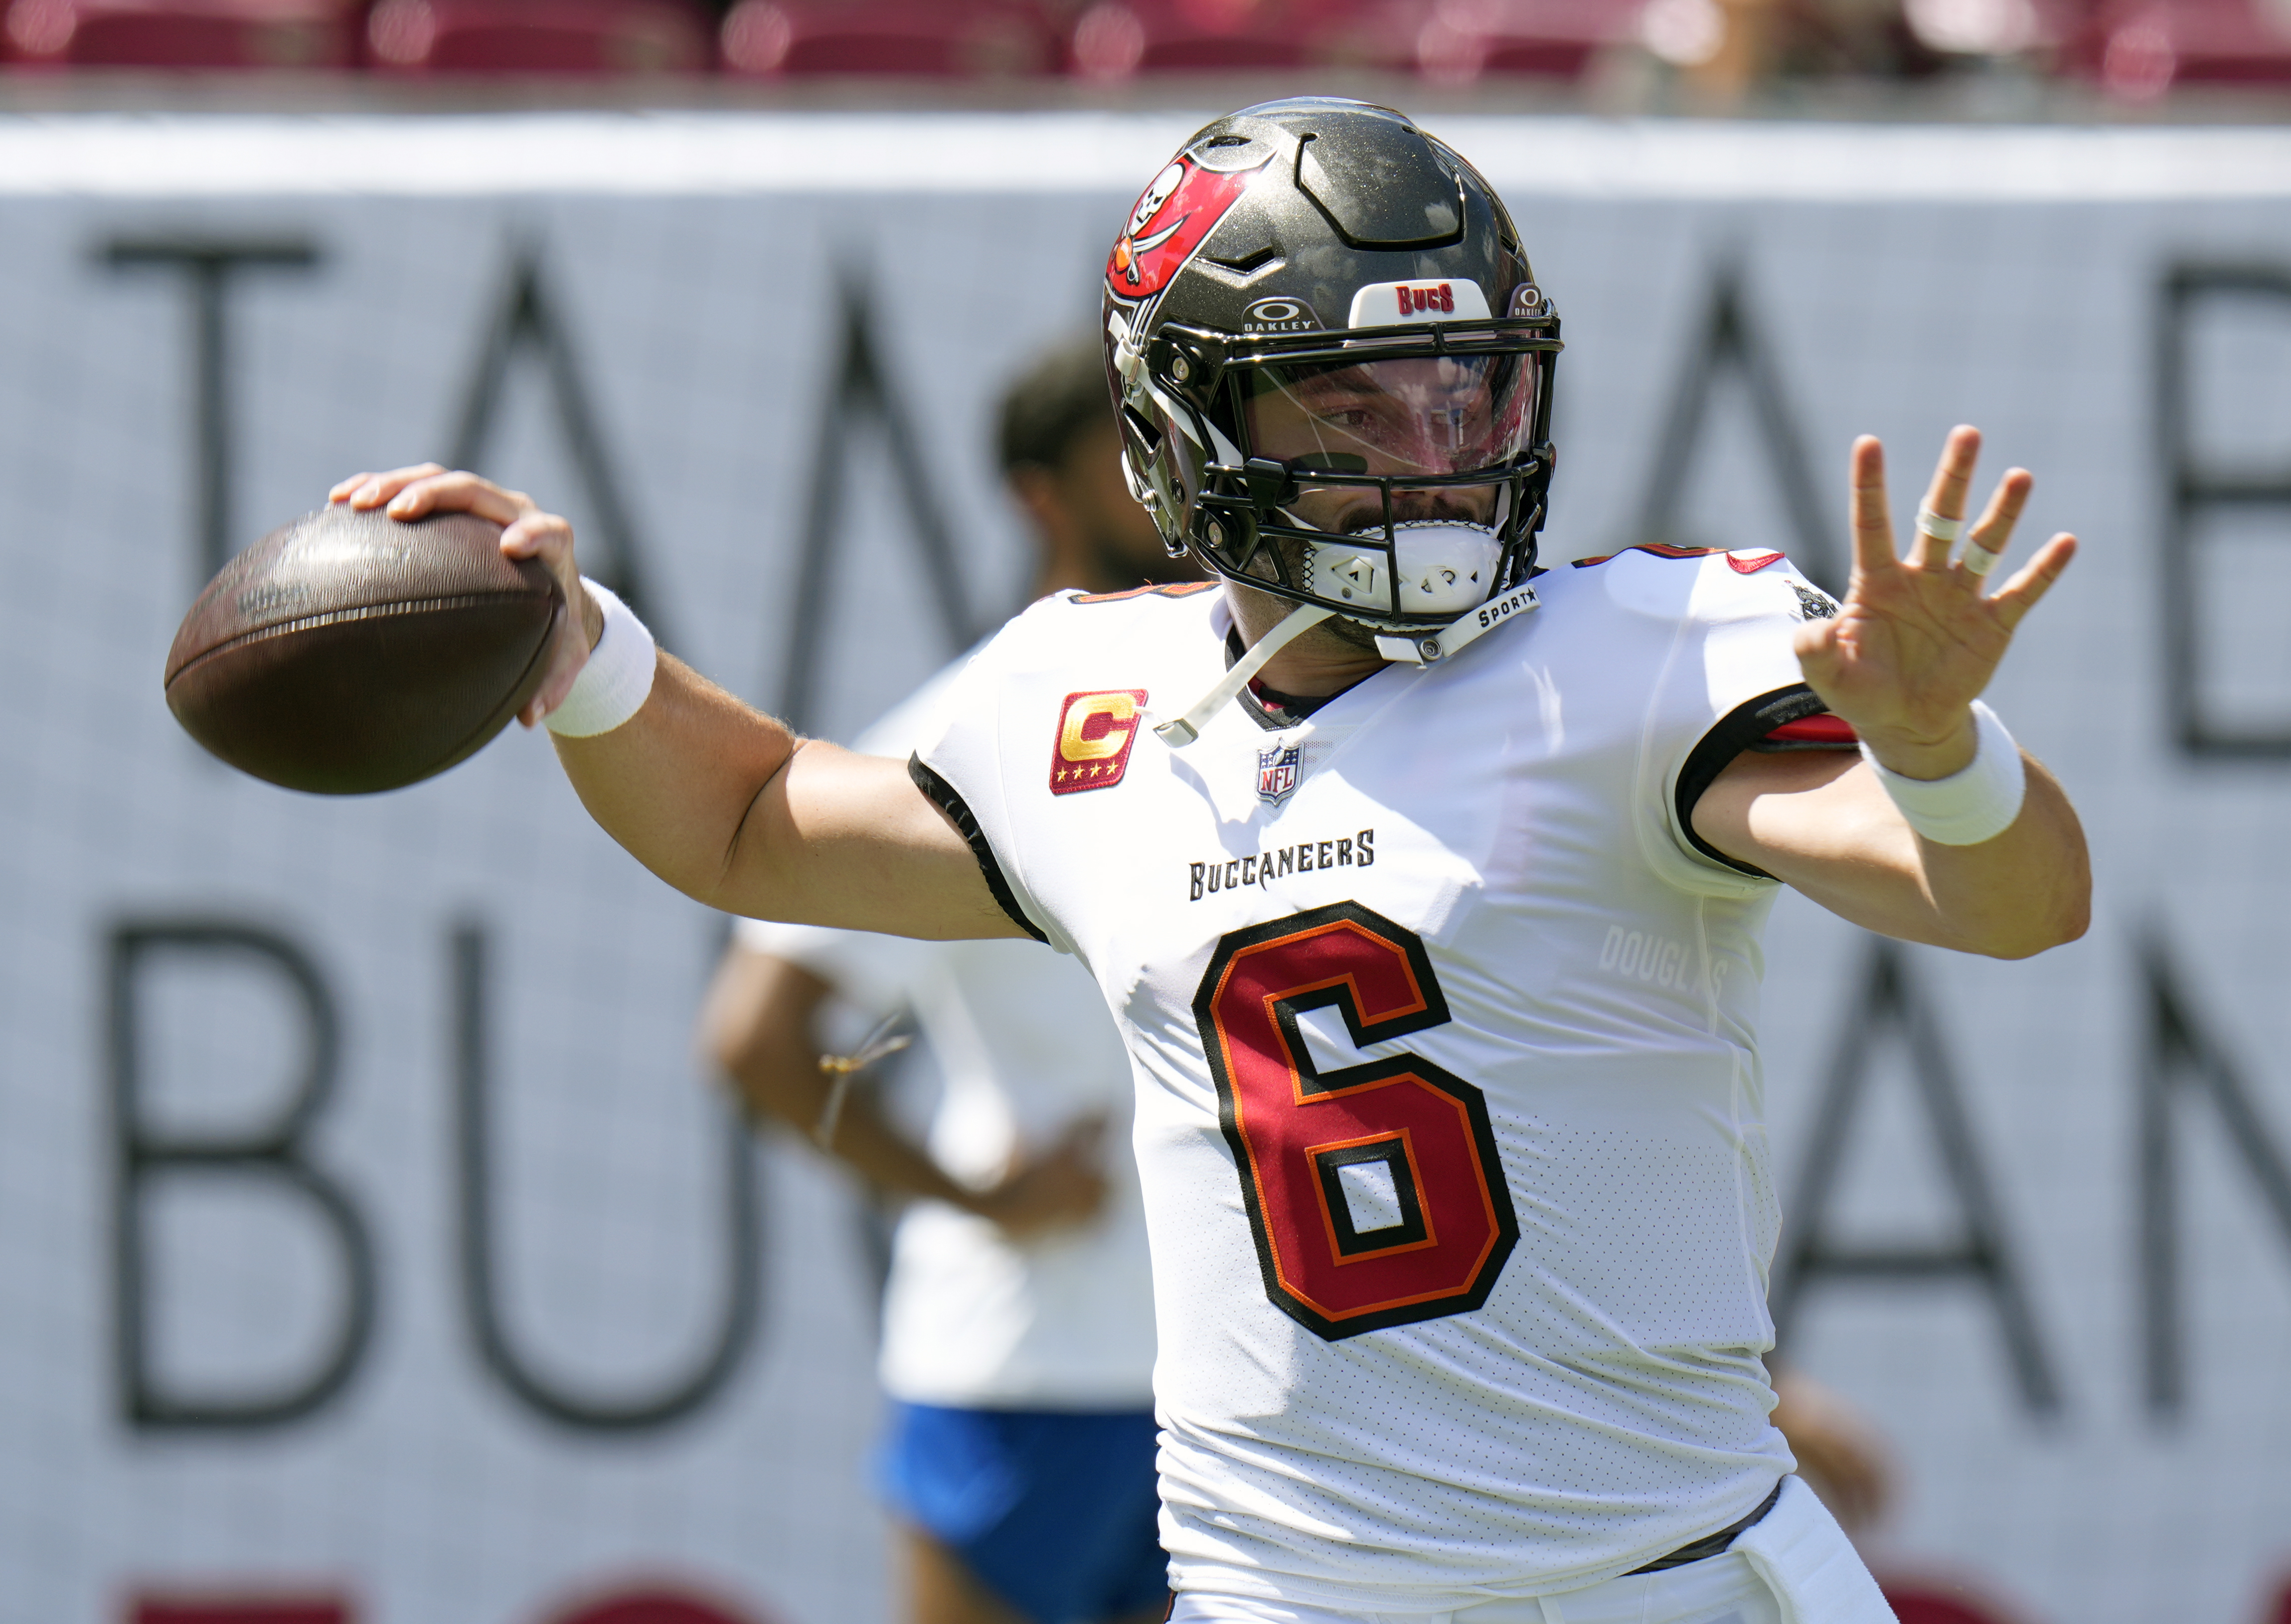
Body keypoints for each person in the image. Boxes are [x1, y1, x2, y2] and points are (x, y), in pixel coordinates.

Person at [333, 96, 2087, 1624]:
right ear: (1183, 432)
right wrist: (582, 648)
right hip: (1286, 1585)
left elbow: (2012, 902)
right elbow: (749, 817)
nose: (1435, 456)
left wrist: (1936, 752)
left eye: (1465, 387)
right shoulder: (1084, 704)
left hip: (1670, 1572)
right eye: (1354, 407)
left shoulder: (1636, 656)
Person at [695, 336, 1201, 1624]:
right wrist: (981, 1195)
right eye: (1132, 449)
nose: (1176, 473)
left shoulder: (1261, 717)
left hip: (1232, 1375)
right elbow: (757, 1035)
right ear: (1041, 494)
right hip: (1025, 1374)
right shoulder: (962, 735)